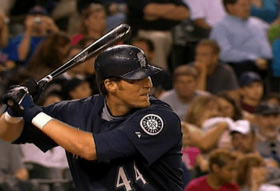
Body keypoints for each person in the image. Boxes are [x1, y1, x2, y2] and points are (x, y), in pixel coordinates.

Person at [0, 44, 184, 191]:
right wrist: (14, 112)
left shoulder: (159, 118)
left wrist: (32, 111)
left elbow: (90, 149)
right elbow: (9, 135)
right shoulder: (76, 110)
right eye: (136, 79)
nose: (148, 85)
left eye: (148, 77)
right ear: (110, 85)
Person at [210, 0, 273, 79]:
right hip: (243, 66)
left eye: (249, 5)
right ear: (230, 7)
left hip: (269, 63)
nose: (248, 8)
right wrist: (253, 58)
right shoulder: (221, 26)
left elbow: (274, 33)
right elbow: (224, 53)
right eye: (243, 5)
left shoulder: (257, 23)